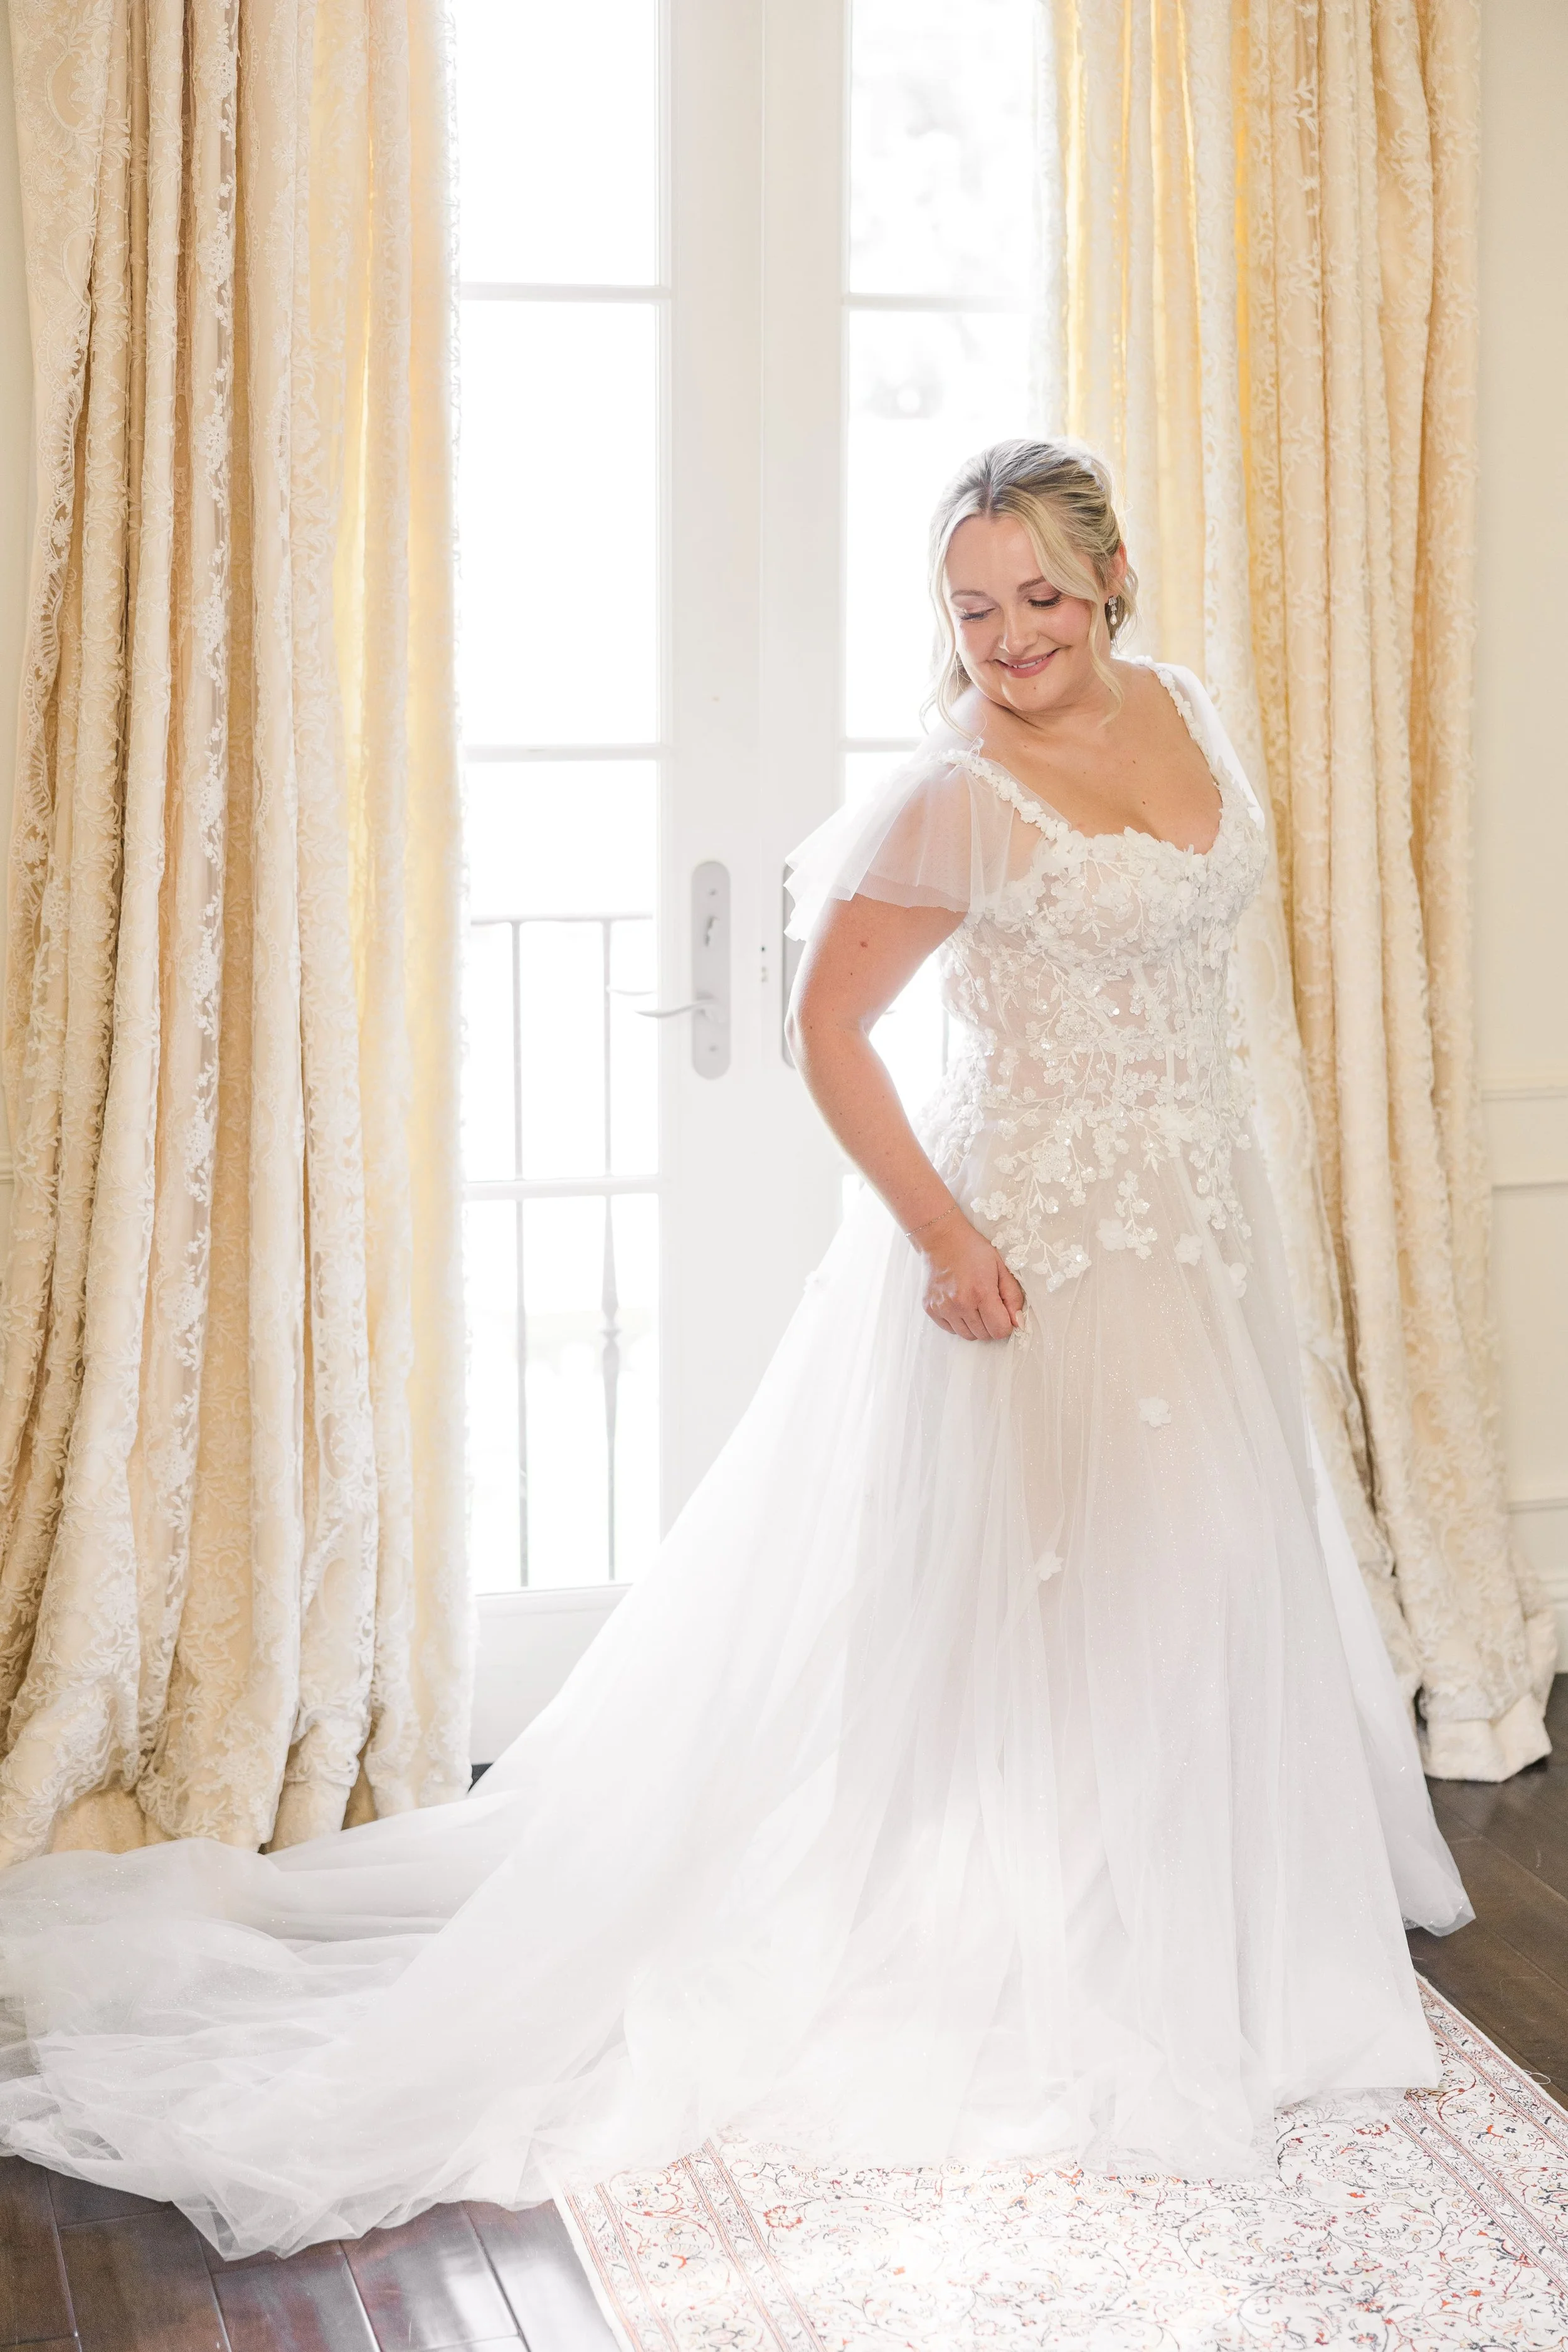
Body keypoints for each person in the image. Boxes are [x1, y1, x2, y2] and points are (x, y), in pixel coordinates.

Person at [0, 438, 1468, 2260]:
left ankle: (1195, 1934)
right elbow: (827, 1027)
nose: (1008, 636)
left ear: (1112, 587)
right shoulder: (958, 792)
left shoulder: (1183, 708)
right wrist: (947, 1238)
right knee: (1079, 1607)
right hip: (1033, 1248)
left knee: (1196, 1583)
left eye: (1039, 597)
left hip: (1192, 1234)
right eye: (972, 606)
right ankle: (1065, 1955)